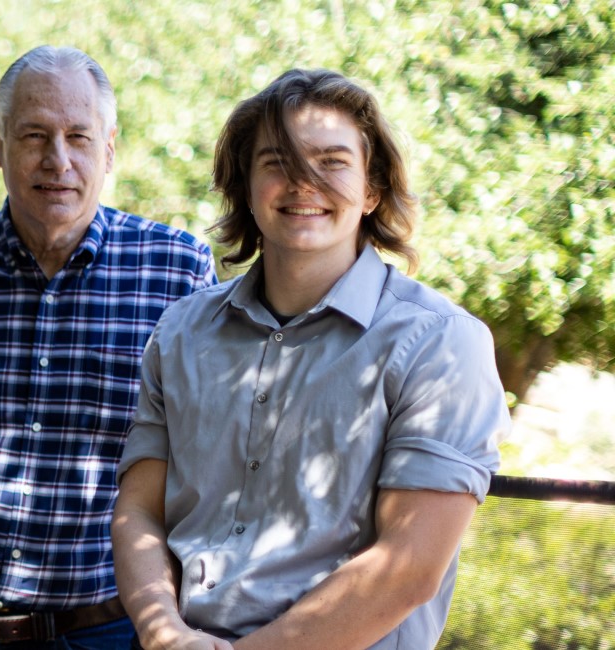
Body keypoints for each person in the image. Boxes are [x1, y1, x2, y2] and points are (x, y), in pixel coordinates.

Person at [112, 68, 506, 650]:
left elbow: (408, 566)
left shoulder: (440, 344)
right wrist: (164, 631)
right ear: (245, 185)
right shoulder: (181, 332)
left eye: (332, 162)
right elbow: (138, 513)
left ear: (372, 190)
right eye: (277, 162)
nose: (303, 182)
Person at [0, 46, 216, 648]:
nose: (59, 160)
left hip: (113, 629)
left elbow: (214, 459)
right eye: (34, 135)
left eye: (79, 136)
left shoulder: (177, 272)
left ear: (109, 147)